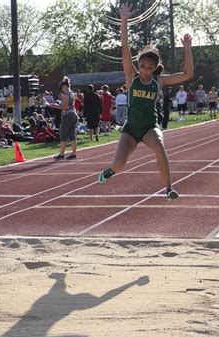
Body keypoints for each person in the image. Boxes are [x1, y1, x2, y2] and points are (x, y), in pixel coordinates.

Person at [98, 4, 193, 201]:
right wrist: (124, 21)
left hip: (150, 126)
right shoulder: (132, 76)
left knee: (159, 146)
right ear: (138, 64)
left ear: (155, 68)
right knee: (119, 165)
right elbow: (125, 48)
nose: (145, 70)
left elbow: (187, 74)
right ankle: (111, 171)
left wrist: (187, 50)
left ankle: (169, 189)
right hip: (131, 128)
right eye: (142, 66)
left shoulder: (159, 80)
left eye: (150, 67)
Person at [50, 77, 78, 160]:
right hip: (74, 114)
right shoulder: (73, 93)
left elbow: (65, 107)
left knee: (63, 135)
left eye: (62, 87)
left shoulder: (65, 95)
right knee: (72, 135)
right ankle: (73, 154)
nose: (61, 89)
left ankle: (61, 154)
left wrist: (55, 106)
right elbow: (71, 105)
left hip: (67, 115)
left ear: (64, 86)